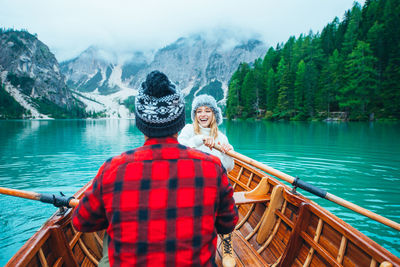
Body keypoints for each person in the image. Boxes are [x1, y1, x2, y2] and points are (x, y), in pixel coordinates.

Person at [72, 71, 238, 267]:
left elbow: (82, 222)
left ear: (140, 123)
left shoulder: (113, 169)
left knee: (109, 238)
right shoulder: (212, 166)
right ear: (179, 120)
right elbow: (228, 222)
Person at [178, 94, 236, 267]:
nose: (203, 115)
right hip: (191, 180)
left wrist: (227, 153)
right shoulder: (189, 130)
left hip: (213, 183)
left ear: (214, 114)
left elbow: (228, 168)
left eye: (207, 111)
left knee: (225, 201)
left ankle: (227, 246)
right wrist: (200, 140)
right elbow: (179, 148)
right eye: (199, 111)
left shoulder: (221, 137)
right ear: (195, 115)